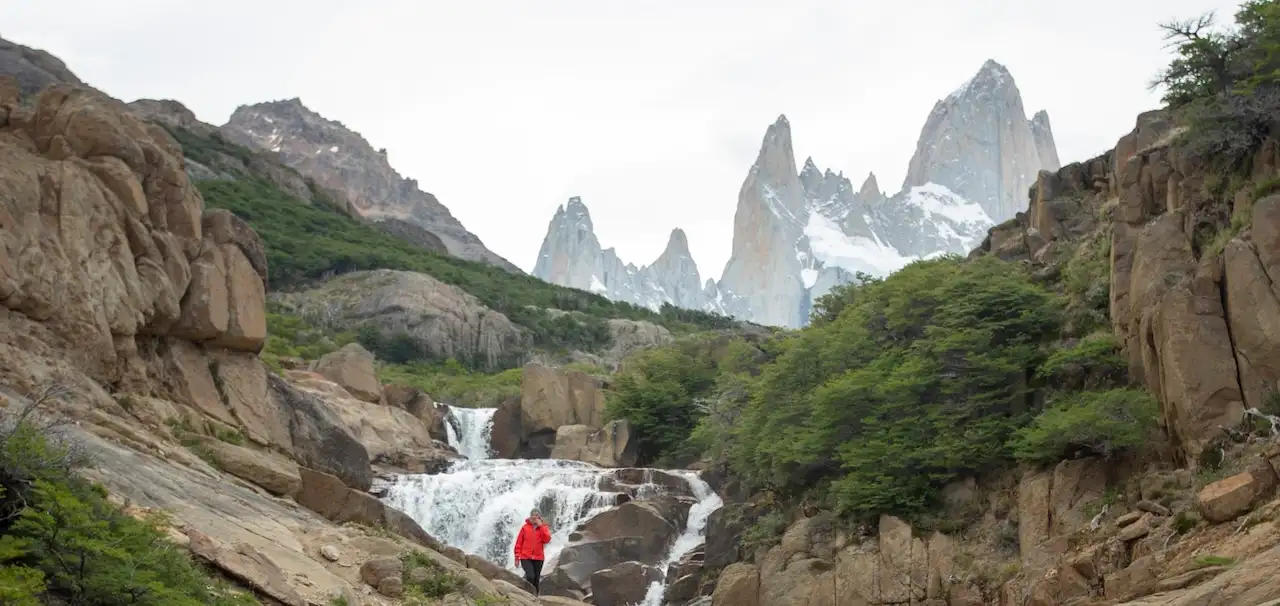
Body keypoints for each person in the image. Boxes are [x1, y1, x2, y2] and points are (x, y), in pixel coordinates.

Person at [514, 508, 552, 595]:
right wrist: (517, 557)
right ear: (530, 516)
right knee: (530, 576)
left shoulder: (544, 527)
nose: (534, 517)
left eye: (536, 515)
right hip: (525, 557)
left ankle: (534, 599)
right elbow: (518, 543)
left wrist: (541, 526)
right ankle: (527, 595)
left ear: (540, 517)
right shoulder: (525, 527)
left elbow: (547, 539)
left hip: (538, 558)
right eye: (533, 515)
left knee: (536, 580)